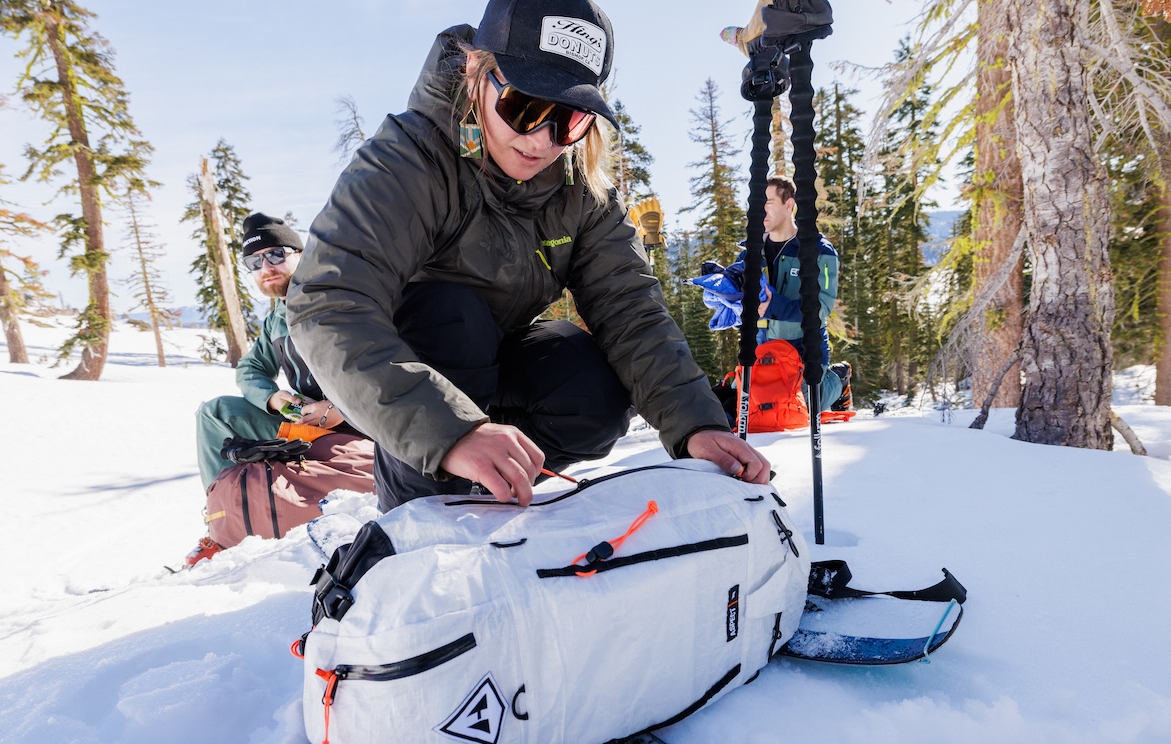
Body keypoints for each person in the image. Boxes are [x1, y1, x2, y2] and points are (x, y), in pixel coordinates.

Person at [287, 0, 772, 512]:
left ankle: (490, 487)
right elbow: (328, 304)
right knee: (454, 315)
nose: (542, 139)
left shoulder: (581, 188)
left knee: (589, 383)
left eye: (570, 120)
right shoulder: (407, 160)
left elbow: (631, 309)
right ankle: (420, 505)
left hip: (499, 365)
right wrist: (452, 432)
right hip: (414, 363)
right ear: (478, 71)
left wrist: (696, 425)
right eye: (525, 107)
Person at [194, 212, 357, 490]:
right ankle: (224, 510)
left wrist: (340, 407)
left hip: (357, 421)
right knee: (214, 413)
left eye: (276, 254)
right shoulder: (276, 318)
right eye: (254, 262)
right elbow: (250, 368)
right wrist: (272, 398)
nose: (266, 267)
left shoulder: (337, 295)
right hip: (307, 422)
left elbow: (382, 359)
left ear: (301, 254)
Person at [745, 175, 850, 412]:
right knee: (744, 403)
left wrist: (773, 306)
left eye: (768, 203)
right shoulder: (751, 252)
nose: (761, 211)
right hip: (763, 347)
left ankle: (838, 379)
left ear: (789, 204)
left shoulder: (819, 251)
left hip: (804, 349)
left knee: (799, 406)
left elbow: (821, 307)